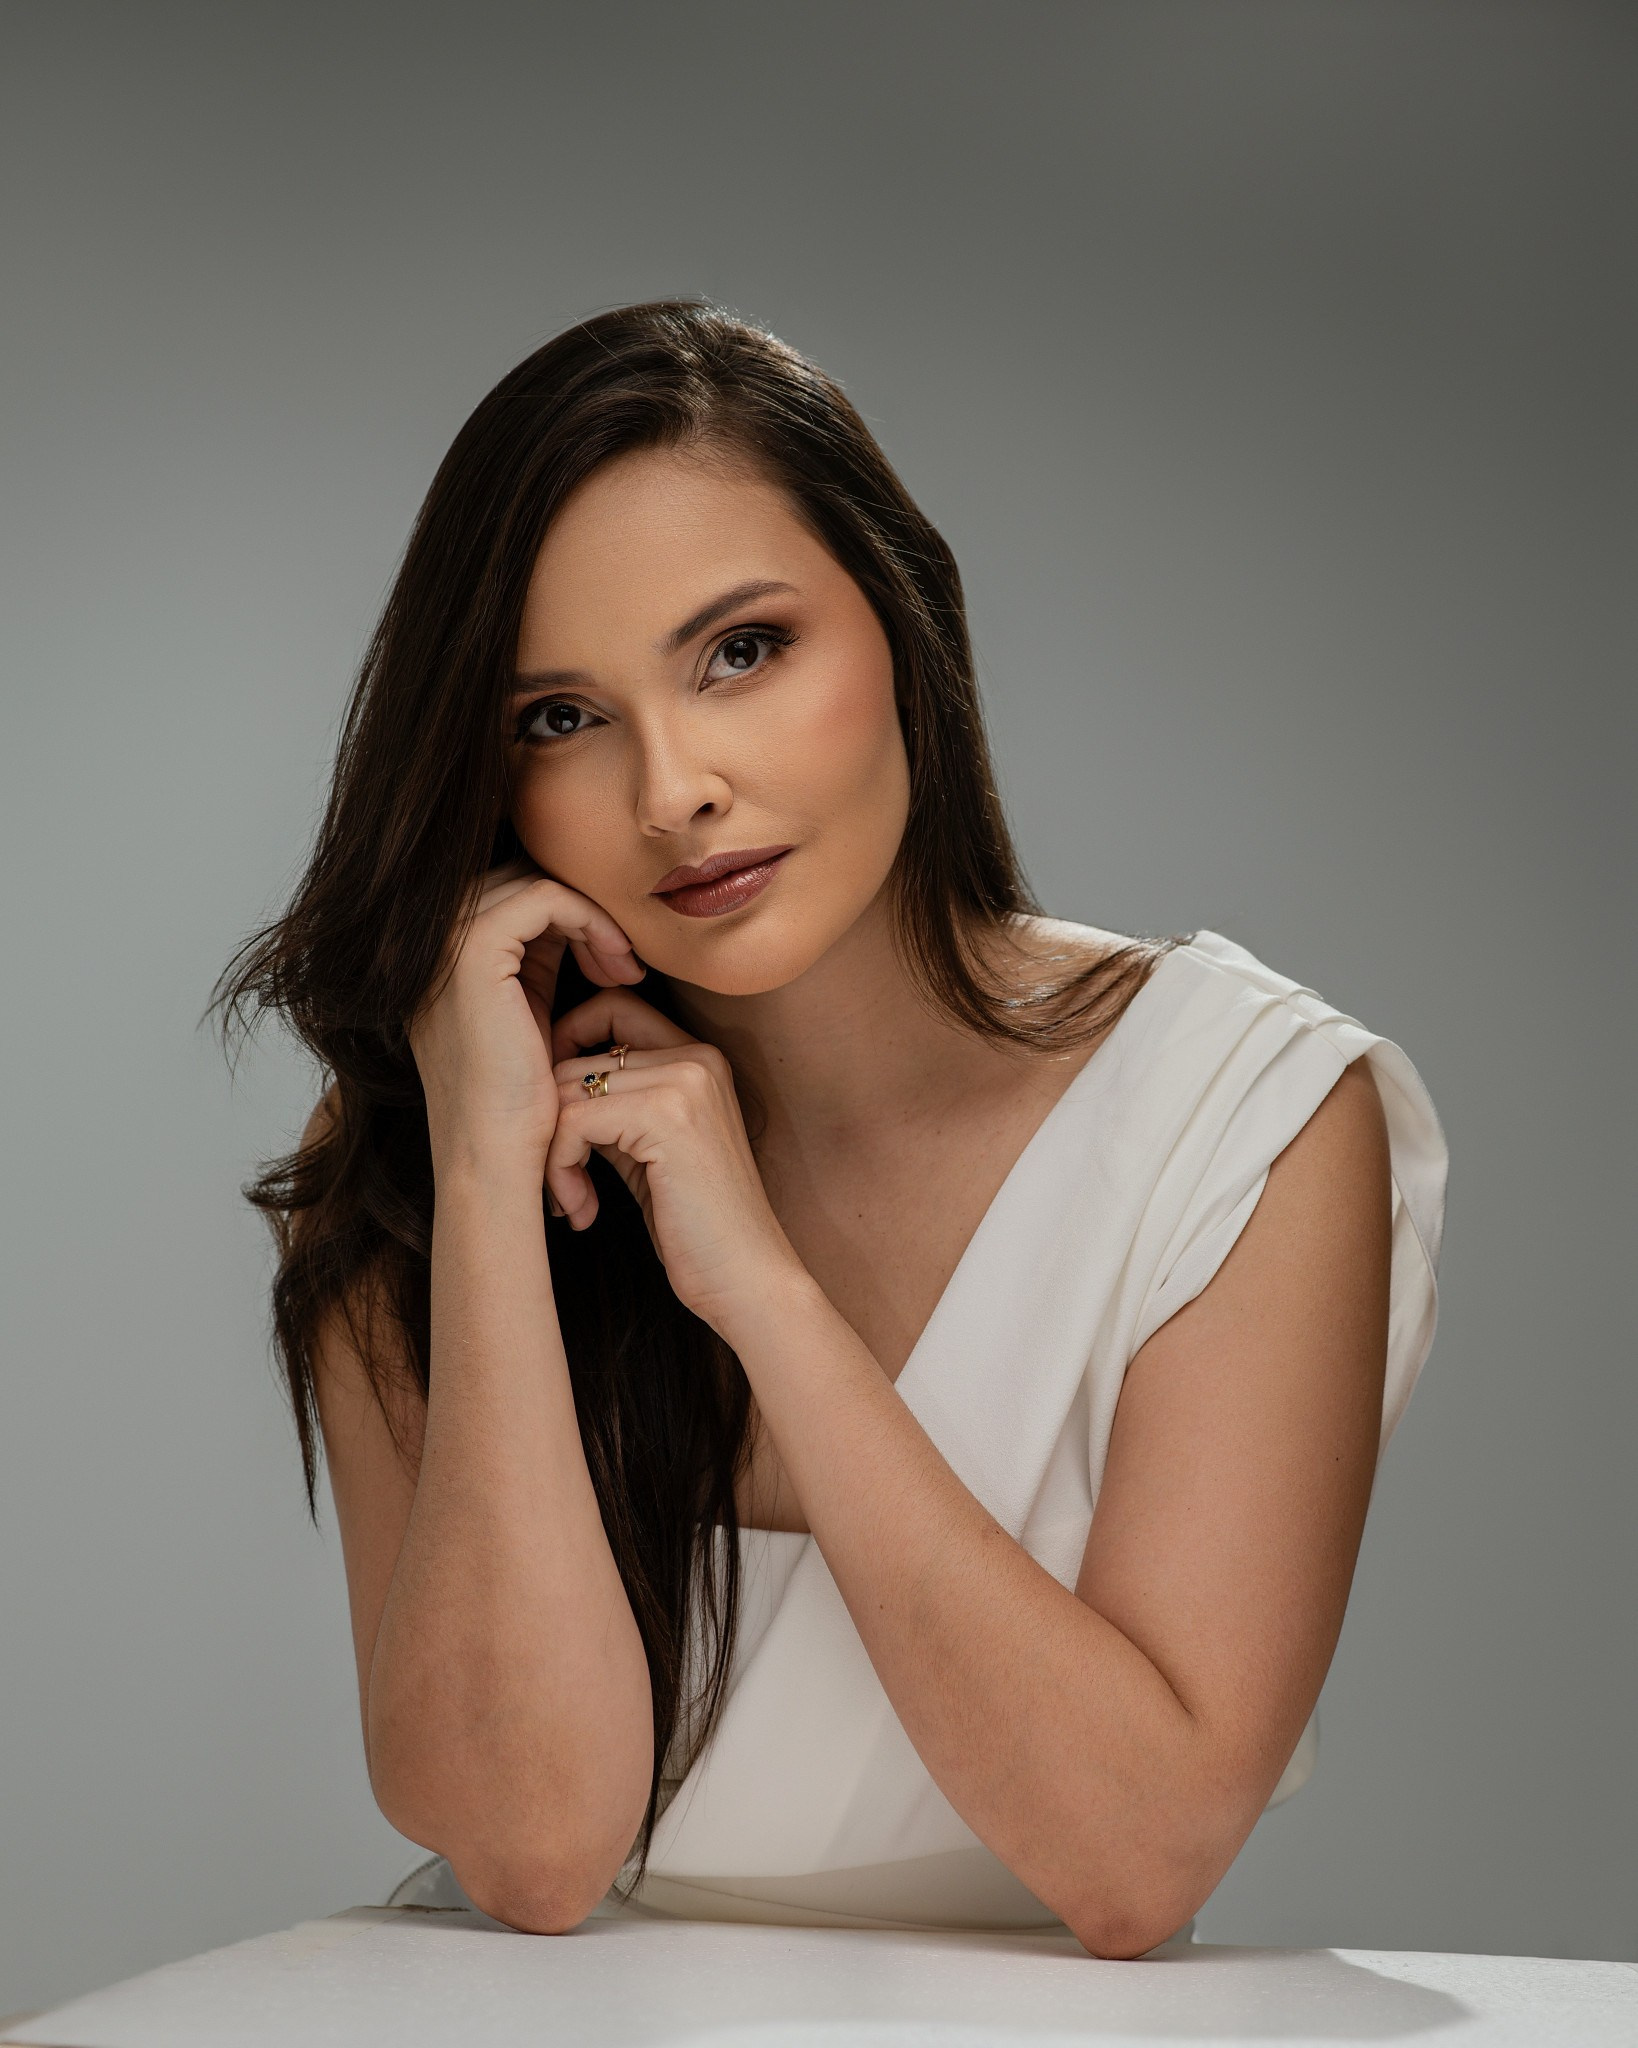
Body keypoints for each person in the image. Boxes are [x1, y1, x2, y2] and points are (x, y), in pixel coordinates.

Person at [213, 299, 1447, 1960]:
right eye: (558, 718)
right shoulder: (424, 1148)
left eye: (740, 651)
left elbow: (1136, 1860)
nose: (671, 791)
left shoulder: (1249, 1118)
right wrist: (488, 1178)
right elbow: (529, 1855)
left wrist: (764, 1296)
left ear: (905, 625)